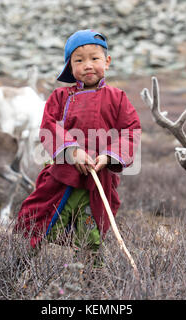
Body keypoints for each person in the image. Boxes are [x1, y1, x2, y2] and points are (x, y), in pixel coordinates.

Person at [15, 30, 141, 264]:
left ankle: (91, 280)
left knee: (90, 234)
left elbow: (130, 131)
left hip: (97, 180)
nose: (88, 65)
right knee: (37, 221)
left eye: (94, 58)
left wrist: (108, 156)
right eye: (79, 60)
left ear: (107, 61)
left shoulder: (118, 98)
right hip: (62, 177)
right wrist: (72, 151)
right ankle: (17, 268)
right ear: (69, 66)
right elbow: (49, 126)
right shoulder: (60, 96)